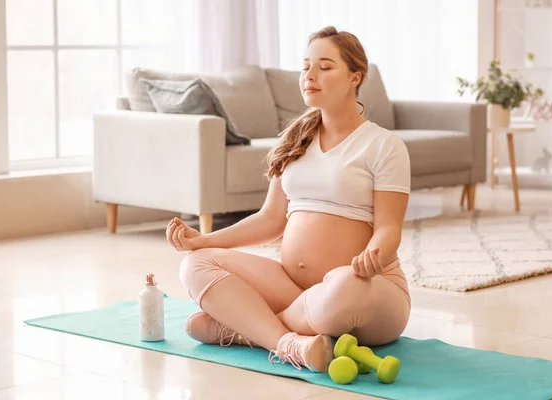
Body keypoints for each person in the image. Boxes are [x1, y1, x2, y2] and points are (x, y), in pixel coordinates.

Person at [166, 26, 411, 373]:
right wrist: (203, 240)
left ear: (355, 76)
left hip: (368, 291)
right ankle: (288, 343)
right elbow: (269, 219)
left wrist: (375, 255)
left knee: (342, 286)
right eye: (306, 66)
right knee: (196, 263)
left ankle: (242, 330)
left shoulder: (384, 146)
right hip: (295, 290)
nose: (310, 75)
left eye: (325, 67)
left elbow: (389, 228)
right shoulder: (295, 140)